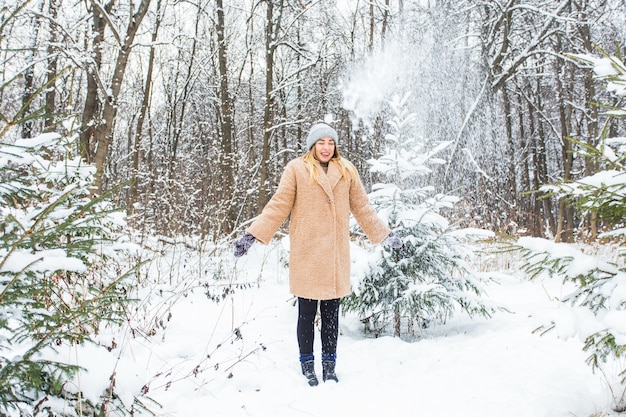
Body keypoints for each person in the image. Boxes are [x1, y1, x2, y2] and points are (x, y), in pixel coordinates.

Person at [233, 122, 402, 386]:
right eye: (321, 142)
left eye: (330, 142)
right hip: (308, 255)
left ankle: (330, 365)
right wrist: (253, 234)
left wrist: (384, 234)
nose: (326, 147)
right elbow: (279, 205)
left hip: (335, 257)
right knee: (307, 314)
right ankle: (307, 364)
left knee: (332, 315)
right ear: (313, 145)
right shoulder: (297, 169)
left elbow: (363, 208)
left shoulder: (346, 171)